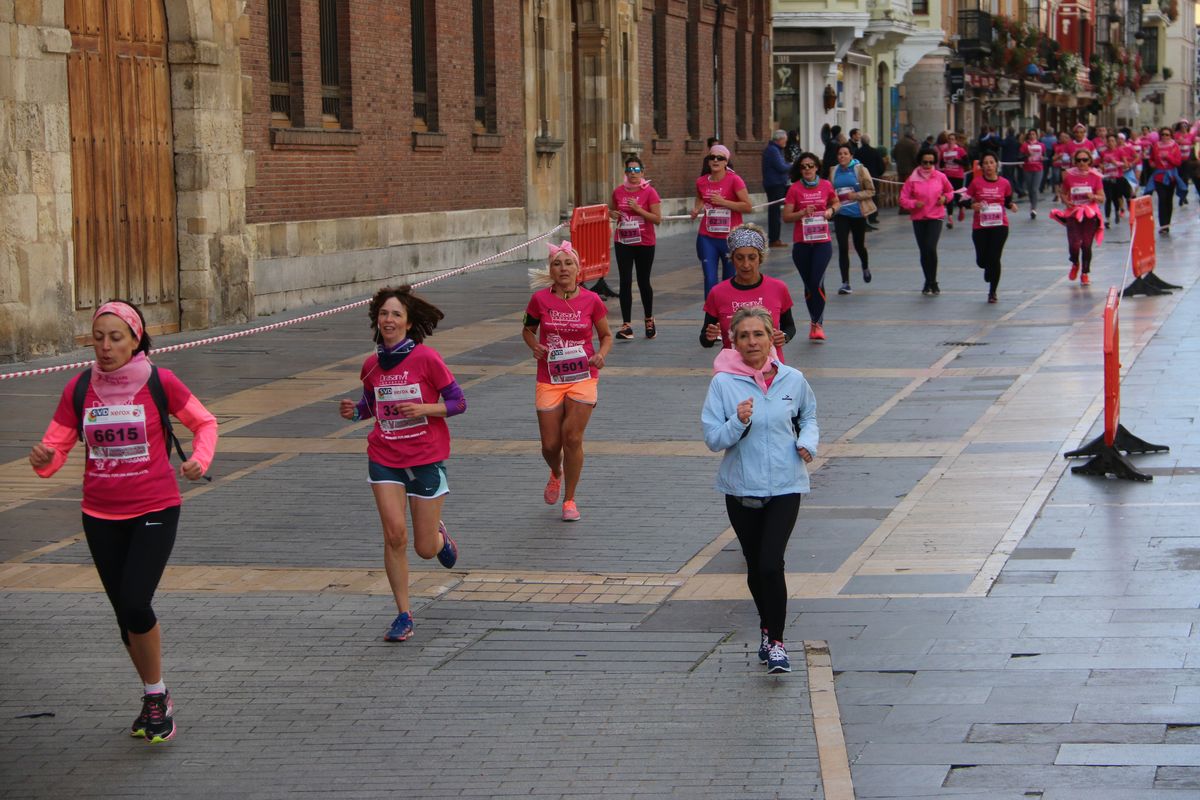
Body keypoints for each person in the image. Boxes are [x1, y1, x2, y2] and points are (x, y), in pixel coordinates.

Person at [29, 300, 218, 744]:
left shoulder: (159, 381)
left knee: (135, 603)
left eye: (116, 338)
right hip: (99, 514)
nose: (105, 347)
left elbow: (204, 422)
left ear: (136, 339)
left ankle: (155, 696)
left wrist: (199, 459)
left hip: (154, 508)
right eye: (98, 338)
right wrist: (44, 458)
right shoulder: (79, 388)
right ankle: (156, 696)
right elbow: (55, 447)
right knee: (124, 617)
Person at [340, 286, 464, 643]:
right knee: (395, 536)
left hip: (425, 458)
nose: (388, 320)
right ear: (376, 321)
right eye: (383, 314)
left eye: (396, 314)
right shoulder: (371, 365)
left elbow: (458, 402)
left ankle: (439, 538)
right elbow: (371, 407)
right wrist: (354, 413)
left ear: (408, 323)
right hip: (384, 458)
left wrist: (425, 409)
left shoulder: (427, 359)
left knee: (424, 548)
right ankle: (403, 614)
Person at [701, 306, 819, 675]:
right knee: (756, 567)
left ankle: (778, 642)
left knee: (772, 563)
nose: (752, 342)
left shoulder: (794, 379)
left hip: (786, 484)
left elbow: (808, 417)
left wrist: (809, 444)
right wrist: (737, 421)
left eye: (759, 335)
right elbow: (712, 439)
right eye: (744, 336)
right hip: (741, 487)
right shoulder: (722, 384)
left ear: (772, 339)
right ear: (733, 342)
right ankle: (767, 631)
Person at [523, 241, 613, 522]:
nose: (563, 269)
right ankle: (556, 471)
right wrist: (534, 345)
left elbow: (606, 335)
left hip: (583, 375)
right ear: (551, 270)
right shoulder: (539, 300)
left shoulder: (592, 300)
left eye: (568, 263)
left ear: (578, 269)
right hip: (549, 376)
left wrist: (601, 354)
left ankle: (570, 500)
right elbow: (527, 330)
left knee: (572, 437)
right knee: (550, 445)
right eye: (557, 264)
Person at [700, 222, 798, 351]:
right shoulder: (718, 292)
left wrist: (785, 336)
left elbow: (790, 326)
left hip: (770, 368)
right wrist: (709, 337)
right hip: (732, 368)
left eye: (752, 258)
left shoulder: (778, 288)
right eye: (740, 258)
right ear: (732, 259)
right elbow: (704, 340)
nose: (746, 265)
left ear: (760, 258)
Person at [783, 153, 840, 340]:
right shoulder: (794, 189)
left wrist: (831, 210)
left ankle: (818, 323)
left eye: (810, 165)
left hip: (822, 242)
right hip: (802, 244)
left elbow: (836, 202)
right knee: (809, 285)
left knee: (816, 281)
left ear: (817, 167)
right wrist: (802, 213)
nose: (807, 169)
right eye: (803, 166)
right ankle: (814, 322)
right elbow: (786, 217)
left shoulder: (826, 185)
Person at [609, 155, 662, 341]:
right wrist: (612, 213)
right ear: (625, 173)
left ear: (642, 173)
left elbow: (657, 219)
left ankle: (649, 320)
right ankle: (627, 325)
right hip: (623, 241)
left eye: (636, 170)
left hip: (644, 242)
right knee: (625, 281)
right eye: (630, 170)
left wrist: (638, 210)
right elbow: (612, 210)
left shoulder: (650, 192)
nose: (633, 173)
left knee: (643, 281)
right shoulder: (618, 192)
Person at [692, 144, 753, 297]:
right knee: (710, 278)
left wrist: (723, 202)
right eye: (712, 157)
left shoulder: (735, 180)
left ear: (726, 162)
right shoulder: (701, 181)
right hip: (707, 236)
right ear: (708, 161)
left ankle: (727, 316)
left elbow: (747, 206)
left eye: (720, 158)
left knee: (729, 279)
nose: (716, 160)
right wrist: (697, 208)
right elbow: (700, 197)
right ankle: (711, 318)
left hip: (730, 237)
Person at [899, 147, 955, 295]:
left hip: (935, 217)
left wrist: (944, 198)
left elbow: (950, 192)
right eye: (925, 162)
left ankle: (933, 280)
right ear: (920, 162)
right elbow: (903, 199)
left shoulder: (940, 176)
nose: (928, 166)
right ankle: (928, 280)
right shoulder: (912, 179)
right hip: (919, 218)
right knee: (924, 251)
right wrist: (913, 204)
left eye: (931, 162)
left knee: (931, 247)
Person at [965, 152, 1018, 303]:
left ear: (997, 165)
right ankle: (987, 267)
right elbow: (964, 200)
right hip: (980, 226)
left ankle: (993, 292)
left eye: (991, 162)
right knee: (982, 261)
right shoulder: (976, 183)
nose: (989, 166)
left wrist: (1011, 205)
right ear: (981, 167)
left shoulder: (1005, 183)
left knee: (995, 258)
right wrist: (972, 205)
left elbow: (1007, 200)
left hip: (1000, 225)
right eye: (985, 163)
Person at [1050, 148, 1104, 285]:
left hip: (1089, 214)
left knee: (1086, 245)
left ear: (1090, 161)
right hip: (1073, 214)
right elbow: (1063, 192)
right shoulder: (1069, 176)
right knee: (1074, 244)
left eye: (1085, 160)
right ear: (1075, 161)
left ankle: (1085, 273)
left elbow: (1102, 198)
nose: (1081, 163)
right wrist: (1065, 200)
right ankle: (1075, 263)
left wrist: (1093, 196)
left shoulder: (1095, 176)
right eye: (1078, 160)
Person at [829, 143, 876, 295]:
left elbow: (871, 190)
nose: (842, 156)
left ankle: (865, 266)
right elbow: (829, 191)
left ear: (851, 156)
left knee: (859, 245)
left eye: (845, 153)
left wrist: (854, 196)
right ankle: (845, 283)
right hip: (841, 213)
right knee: (843, 247)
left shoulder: (860, 170)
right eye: (839, 154)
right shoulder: (833, 170)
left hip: (857, 213)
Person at [1147, 126, 1184, 233]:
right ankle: (1163, 225)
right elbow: (1151, 159)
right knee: (1162, 199)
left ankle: (1167, 223)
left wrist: (1168, 157)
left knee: (1168, 200)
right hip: (1159, 177)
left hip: (1171, 176)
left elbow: (1178, 162)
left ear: (1171, 135)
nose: (1164, 137)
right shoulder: (1156, 146)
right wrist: (1152, 164)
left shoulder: (1174, 146)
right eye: (1162, 134)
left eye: (1167, 134)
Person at [762, 130, 792, 248]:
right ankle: (774, 239)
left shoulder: (775, 150)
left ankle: (775, 238)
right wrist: (792, 165)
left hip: (776, 183)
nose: (786, 142)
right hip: (775, 184)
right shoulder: (773, 150)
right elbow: (781, 167)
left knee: (775, 212)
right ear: (779, 139)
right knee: (775, 212)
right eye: (785, 140)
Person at [1098, 133, 1132, 227]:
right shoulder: (1103, 153)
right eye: (1108, 141)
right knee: (1108, 198)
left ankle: (1117, 211)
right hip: (1107, 179)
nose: (1110, 143)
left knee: (1116, 197)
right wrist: (1101, 167)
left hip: (1118, 178)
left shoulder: (1120, 151)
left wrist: (1115, 162)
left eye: (1112, 141)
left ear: (1116, 142)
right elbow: (1100, 164)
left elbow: (1126, 165)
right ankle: (1107, 219)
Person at [937, 132, 968, 229]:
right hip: (948, 176)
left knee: (957, 194)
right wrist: (944, 163)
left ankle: (961, 207)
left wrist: (957, 161)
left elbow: (966, 162)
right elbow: (941, 164)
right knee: (949, 195)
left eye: (952, 139)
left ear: (955, 141)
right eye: (949, 139)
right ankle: (950, 218)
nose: (950, 141)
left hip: (958, 176)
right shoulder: (944, 151)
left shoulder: (960, 150)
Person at [857, 134, 886, 228]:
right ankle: (873, 216)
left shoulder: (858, 152)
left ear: (861, 141)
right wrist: (879, 174)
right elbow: (881, 165)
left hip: (860, 178)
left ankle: (863, 216)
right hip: (873, 177)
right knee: (873, 197)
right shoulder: (875, 151)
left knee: (862, 197)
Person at [1019, 129, 1045, 218]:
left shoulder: (1041, 145)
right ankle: (1032, 204)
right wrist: (1027, 155)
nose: (1032, 136)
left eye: (1033, 134)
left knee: (1034, 189)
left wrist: (1042, 158)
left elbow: (1046, 156)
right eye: (1030, 134)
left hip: (1038, 168)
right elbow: (1019, 156)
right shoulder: (1025, 145)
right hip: (1028, 168)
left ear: (1036, 136)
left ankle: (1033, 208)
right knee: (1030, 189)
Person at [1001, 128, 1023, 195]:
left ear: (1008, 132)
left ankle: (1010, 191)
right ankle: (1019, 191)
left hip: (1007, 161)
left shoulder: (1008, 140)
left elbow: (1001, 144)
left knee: (1008, 176)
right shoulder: (1015, 140)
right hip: (1013, 160)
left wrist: (995, 137)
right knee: (1012, 176)